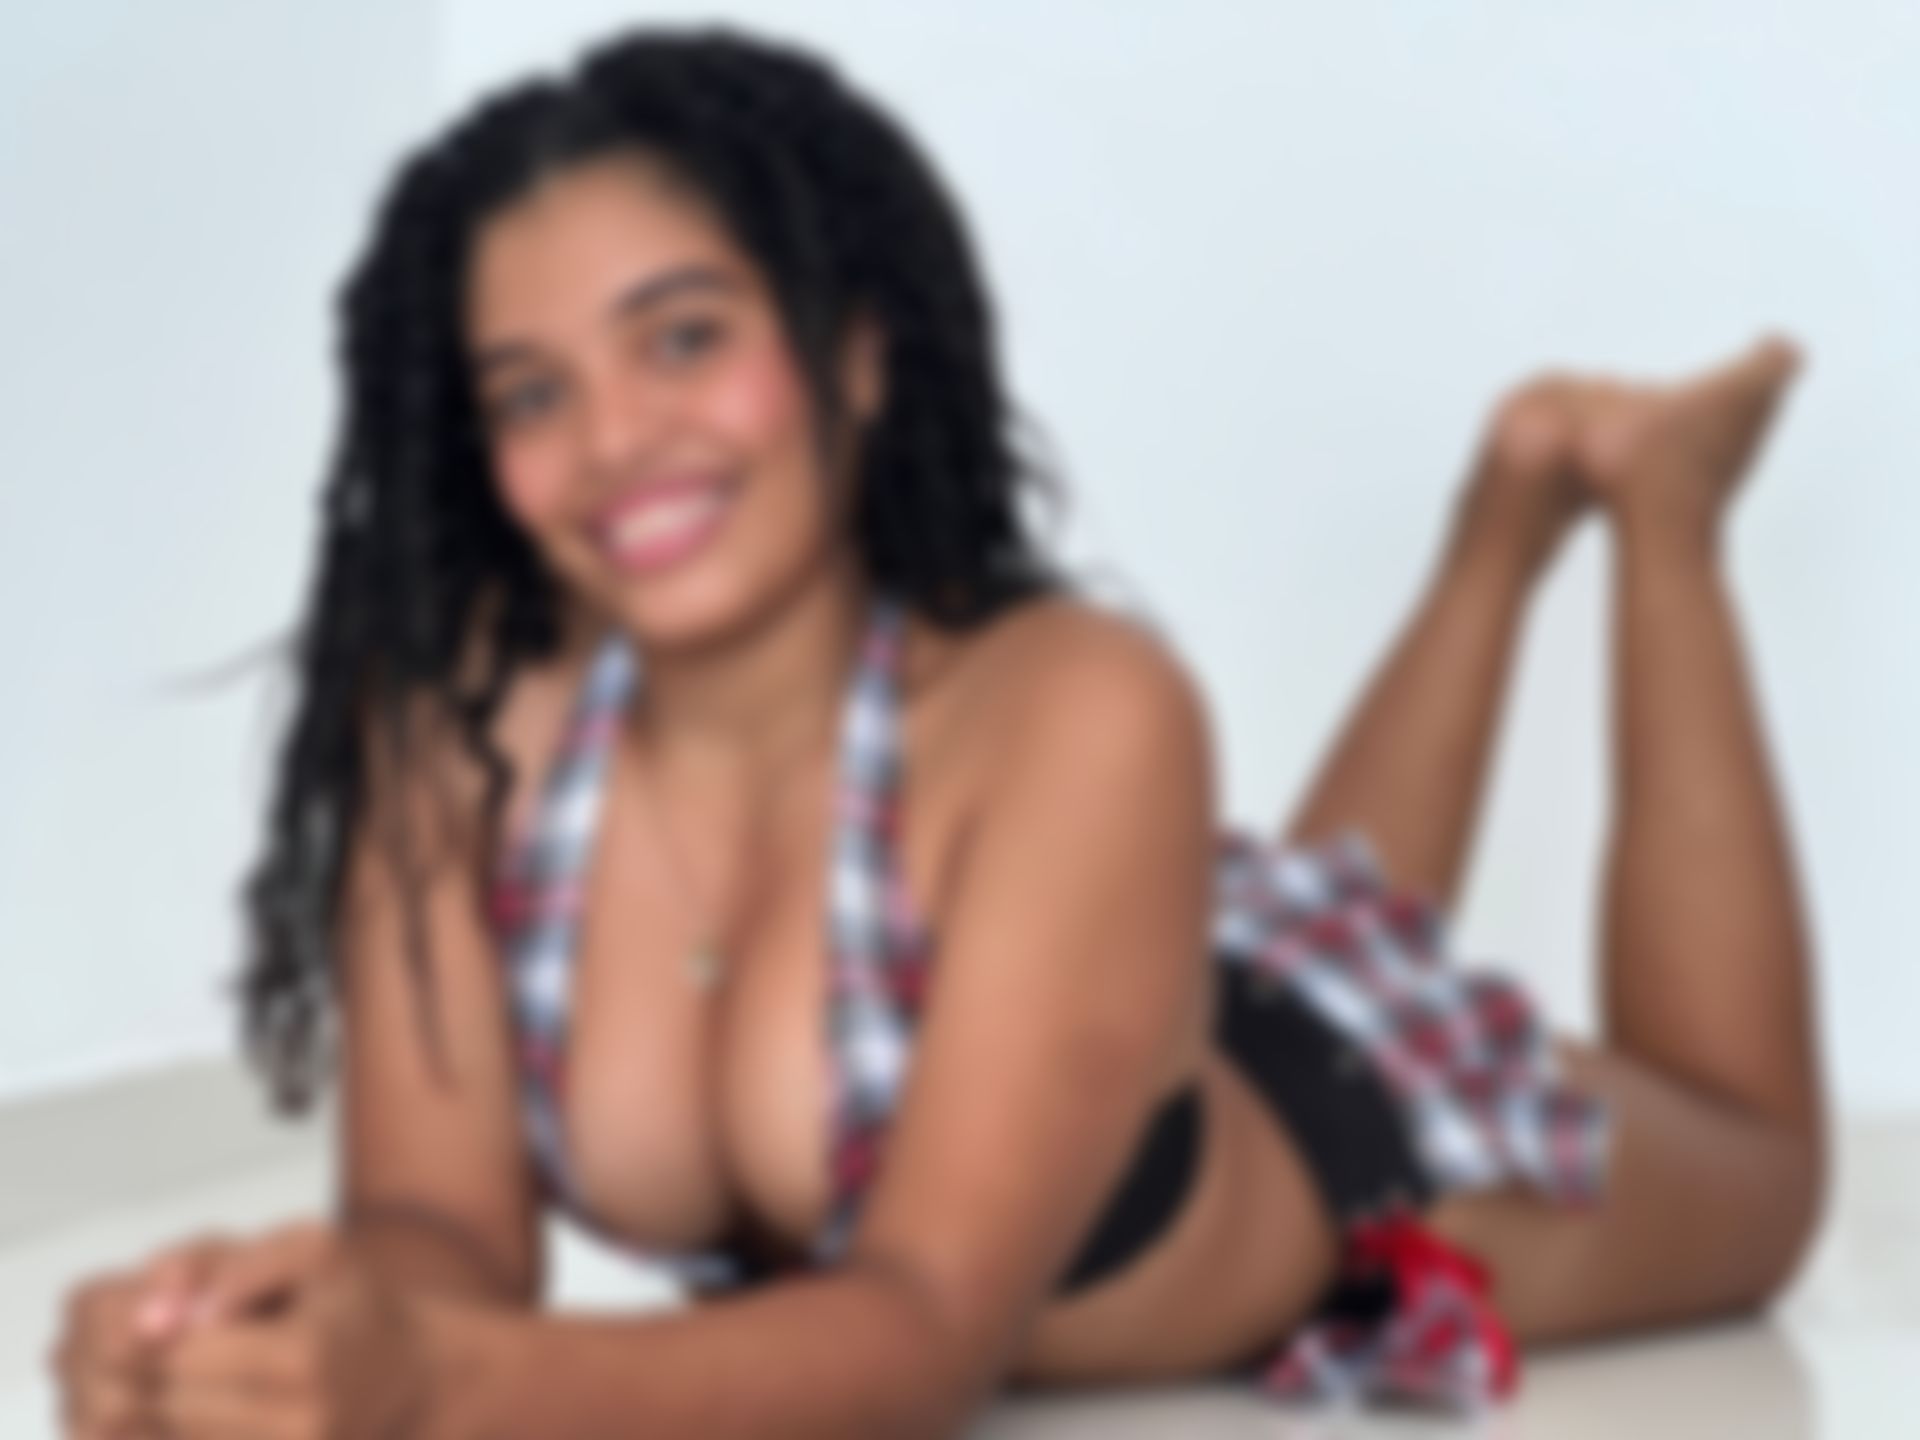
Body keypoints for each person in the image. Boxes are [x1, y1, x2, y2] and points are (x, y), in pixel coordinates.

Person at [50, 22, 1826, 1439]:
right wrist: (263, 1336)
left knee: (1759, 1174)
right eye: (532, 393)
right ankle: (1497, 530)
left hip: (1341, 1142)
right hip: (1097, 966)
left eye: (684, 339)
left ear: (857, 353)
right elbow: (436, 1238)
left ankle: (1660, 512)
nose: (614, 442)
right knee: (1303, 902)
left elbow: (922, 1340)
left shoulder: (1075, 707)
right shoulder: (457, 736)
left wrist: (431, 1389)